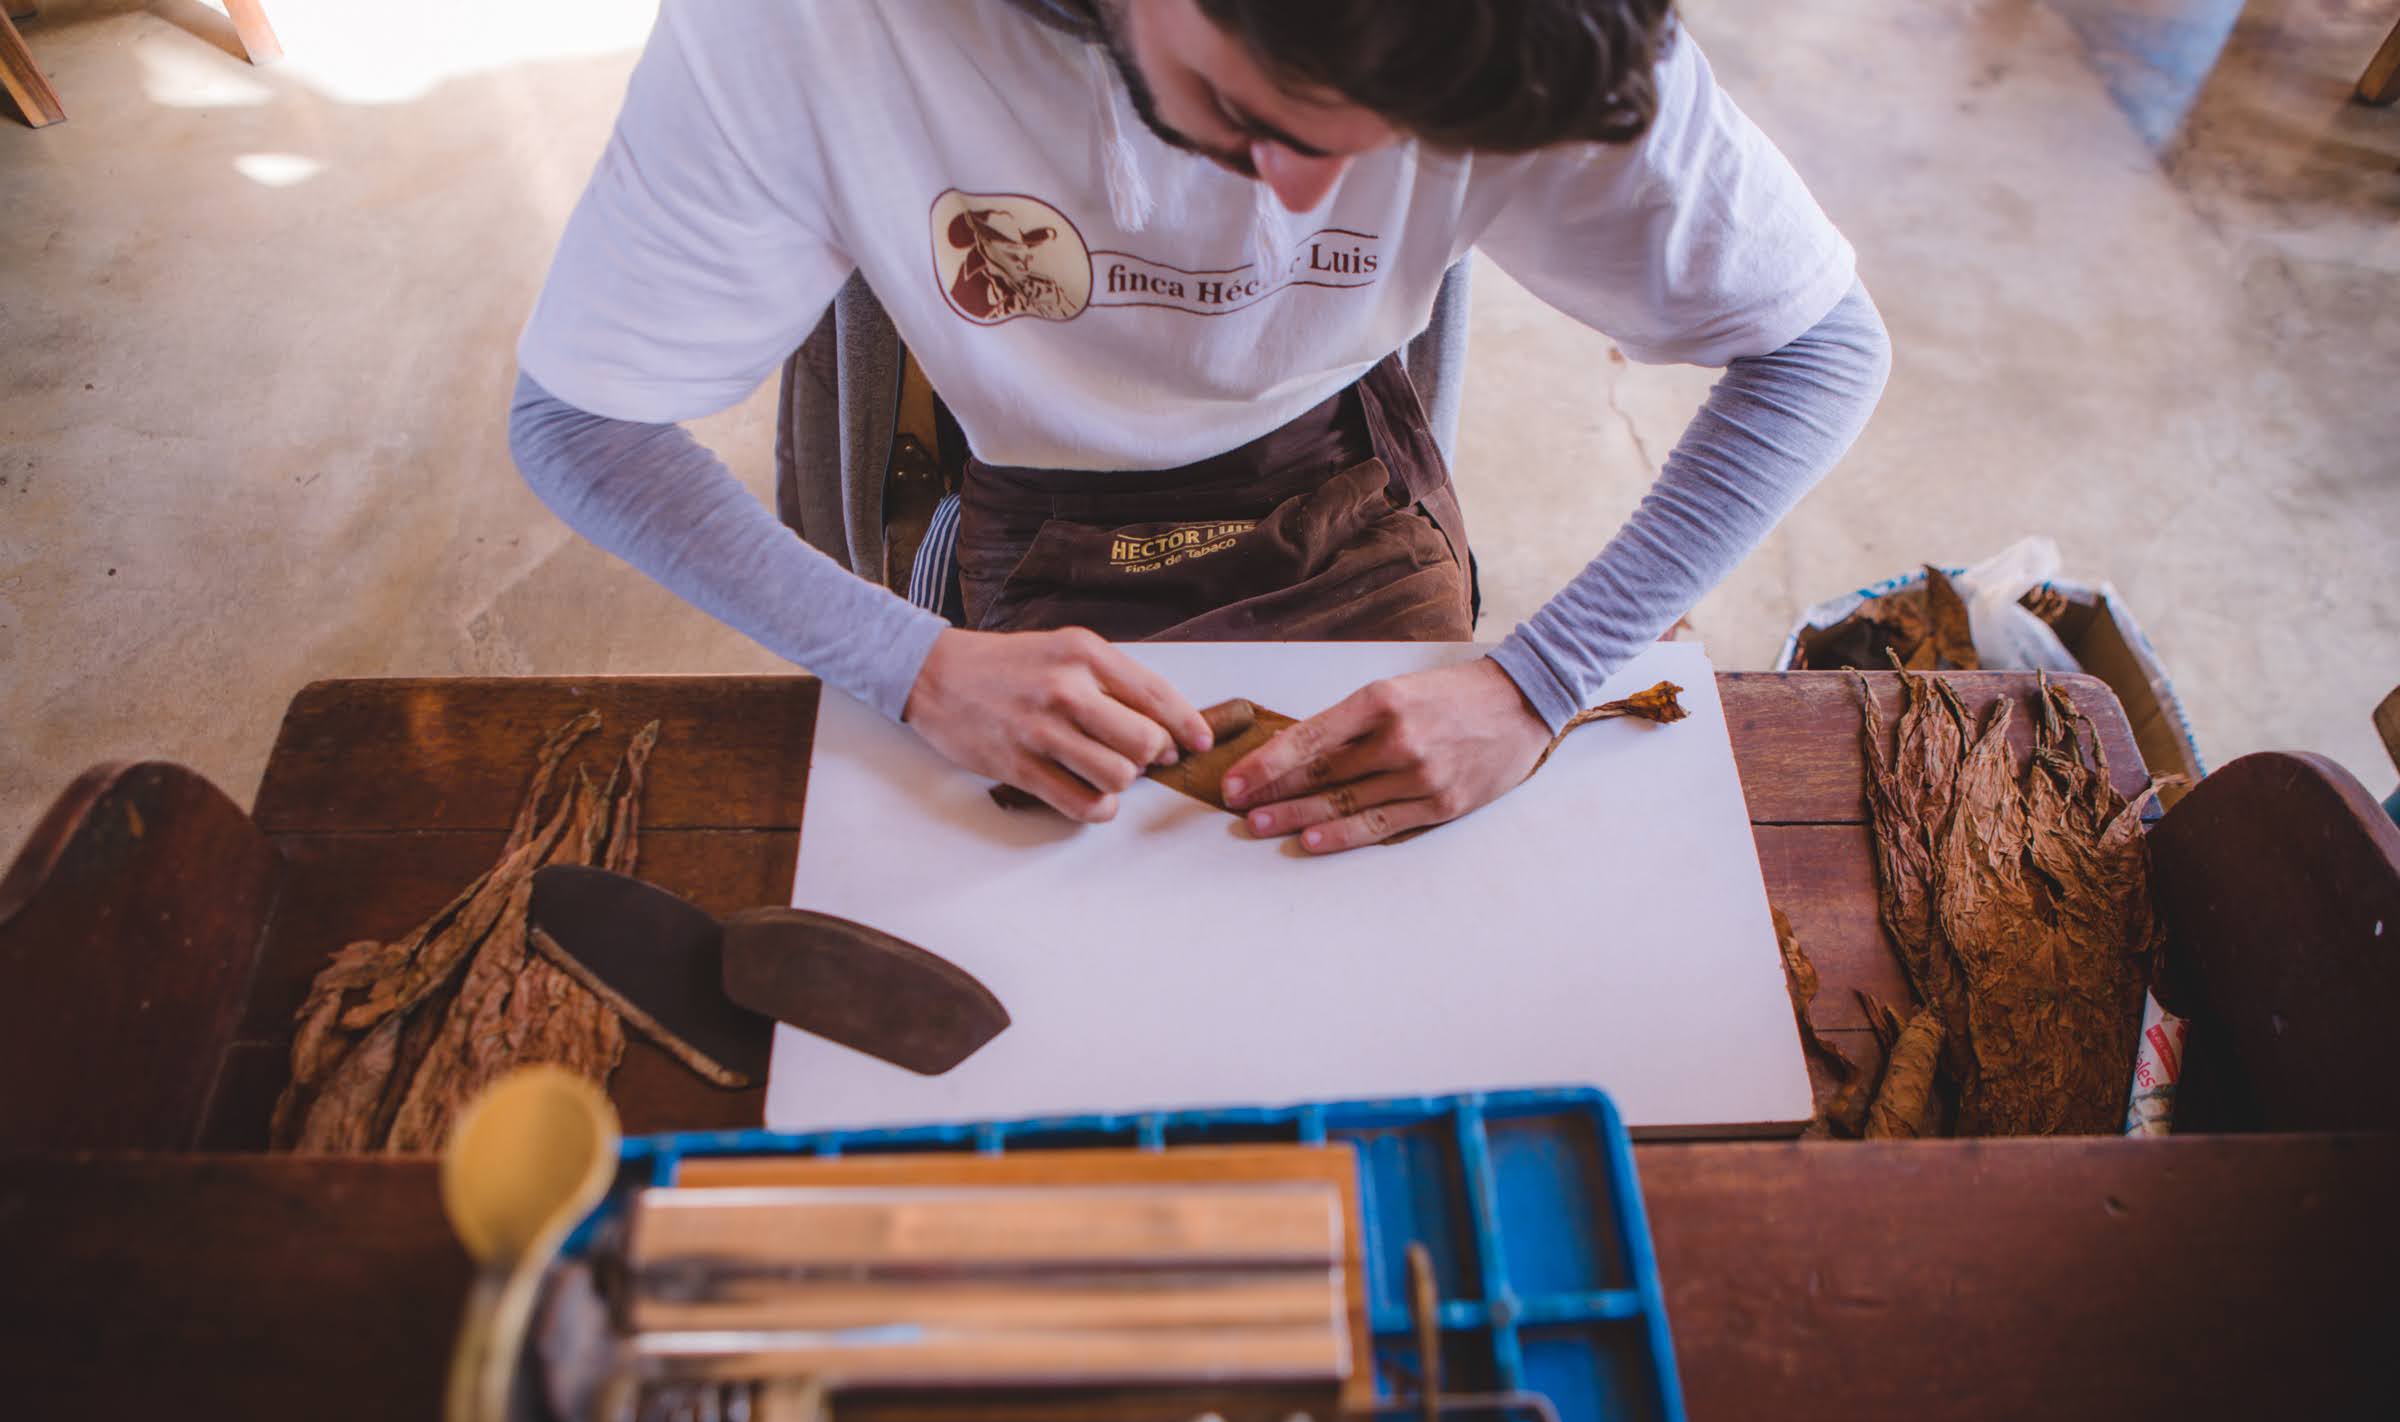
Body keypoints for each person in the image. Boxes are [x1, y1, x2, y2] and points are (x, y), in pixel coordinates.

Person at [511, 0, 1890, 853]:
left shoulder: (1546, 24)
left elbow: (1819, 348)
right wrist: (913, 664)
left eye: (1387, 146)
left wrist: (1541, 681)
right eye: (1251, 118)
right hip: (1006, 466)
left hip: (1335, 441)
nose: (1296, 210)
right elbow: (582, 427)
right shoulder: (805, 26)